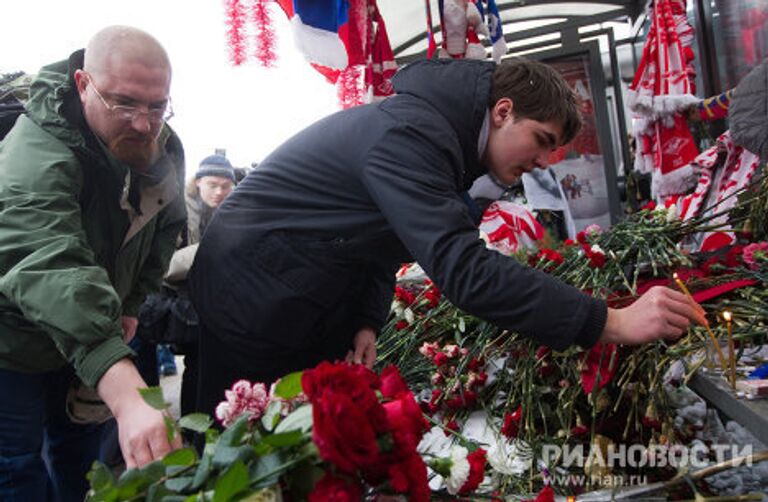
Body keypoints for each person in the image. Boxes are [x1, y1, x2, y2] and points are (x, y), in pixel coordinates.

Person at [189, 57, 707, 418]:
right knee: (248, 443)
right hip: (253, 297)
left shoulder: (437, 135)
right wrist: (609, 321)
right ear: (503, 111)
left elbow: (373, 237)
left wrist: (366, 320)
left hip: (296, 287)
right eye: (542, 141)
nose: (543, 162)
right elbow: (464, 271)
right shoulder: (412, 134)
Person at [0, 26, 184, 500]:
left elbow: (164, 228)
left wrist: (131, 303)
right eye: (124, 103)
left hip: (88, 333)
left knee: (83, 456)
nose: (143, 124)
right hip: (11, 339)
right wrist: (124, 390)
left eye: (156, 106)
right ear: (83, 85)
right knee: (16, 466)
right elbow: (48, 259)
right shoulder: (33, 154)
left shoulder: (157, 146)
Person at [137, 154, 236, 416]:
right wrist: (209, 250)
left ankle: (193, 426)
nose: (219, 192)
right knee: (144, 372)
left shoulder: (231, 212)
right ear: (198, 182)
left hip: (202, 305)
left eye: (226, 186)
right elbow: (162, 265)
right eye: (213, 184)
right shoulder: (176, 210)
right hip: (163, 303)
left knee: (199, 368)